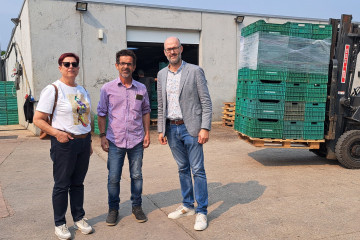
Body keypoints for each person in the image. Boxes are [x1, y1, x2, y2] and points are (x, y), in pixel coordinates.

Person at [33, 53, 93, 240]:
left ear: (78, 67)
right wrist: (58, 133)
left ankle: (79, 218)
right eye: (66, 64)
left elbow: (86, 118)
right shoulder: (53, 89)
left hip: (83, 142)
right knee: (61, 185)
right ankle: (60, 223)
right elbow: (38, 120)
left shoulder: (82, 90)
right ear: (60, 67)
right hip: (64, 143)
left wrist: (89, 141)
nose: (70, 67)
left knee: (78, 184)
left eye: (74, 64)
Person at [157, 37, 212, 231]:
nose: (172, 52)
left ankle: (202, 211)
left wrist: (205, 127)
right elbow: (161, 104)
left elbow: (205, 101)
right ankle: (188, 205)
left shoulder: (195, 71)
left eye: (174, 48)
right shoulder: (162, 74)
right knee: (182, 168)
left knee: (197, 169)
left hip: (192, 128)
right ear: (165, 52)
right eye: (168, 49)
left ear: (181, 49)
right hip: (172, 129)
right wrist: (161, 130)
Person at [97, 49, 151, 226]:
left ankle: (137, 207)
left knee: (137, 175)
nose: (125, 66)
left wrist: (147, 134)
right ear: (117, 65)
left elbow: (145, 111)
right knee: (113, 177)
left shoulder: (141, 88)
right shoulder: (108, 88)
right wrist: (103, 135)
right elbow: (102, 113)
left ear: (134, 67)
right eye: (122, 63)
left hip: (136, 139)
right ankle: (113, 210)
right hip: (115, 140)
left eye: (129, 63)